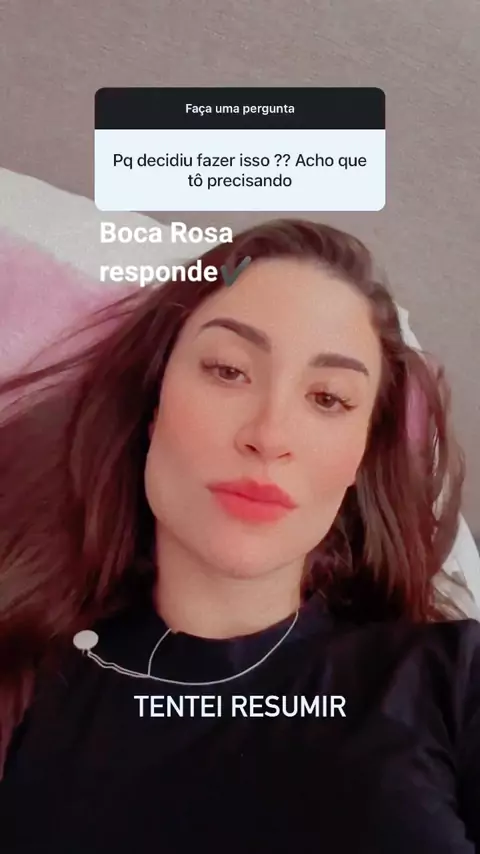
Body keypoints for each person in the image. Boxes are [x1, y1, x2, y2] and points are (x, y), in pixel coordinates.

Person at [0, 218, 479, 853]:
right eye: (228, 370)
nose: (270, 434)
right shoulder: (25, 684)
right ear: (153, 406)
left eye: (329, 399)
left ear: (361, 458)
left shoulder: (451, 681)